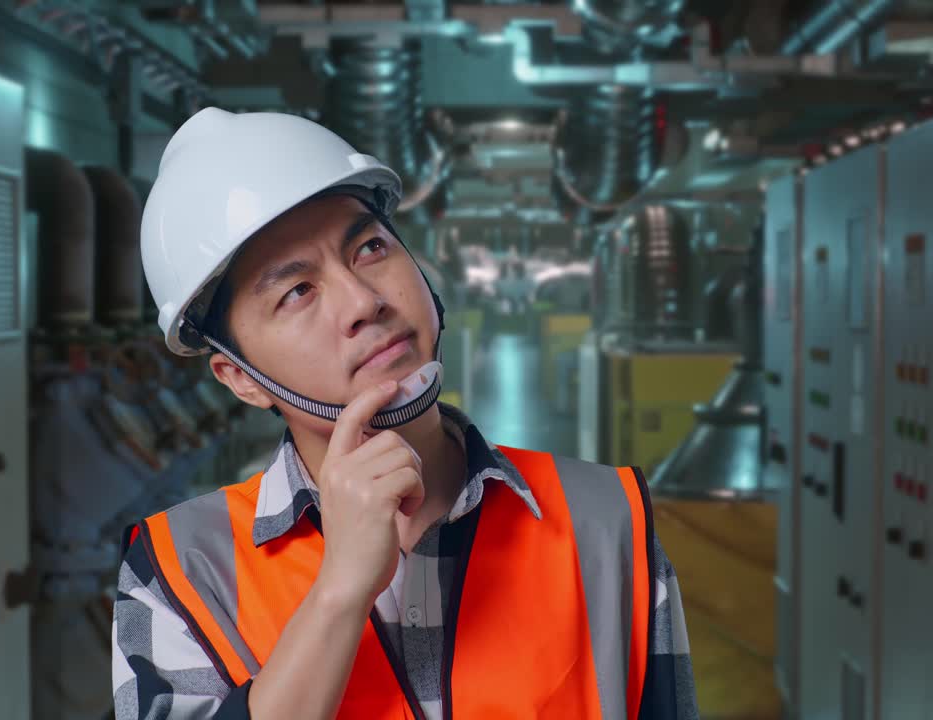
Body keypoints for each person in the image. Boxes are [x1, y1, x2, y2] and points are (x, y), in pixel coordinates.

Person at [112, 107, 700, 719]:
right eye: (297, 291)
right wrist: (340, 593)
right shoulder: (181, 567)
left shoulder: (606, 519)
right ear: (239, 378)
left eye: (369, 248)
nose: (364, 301)